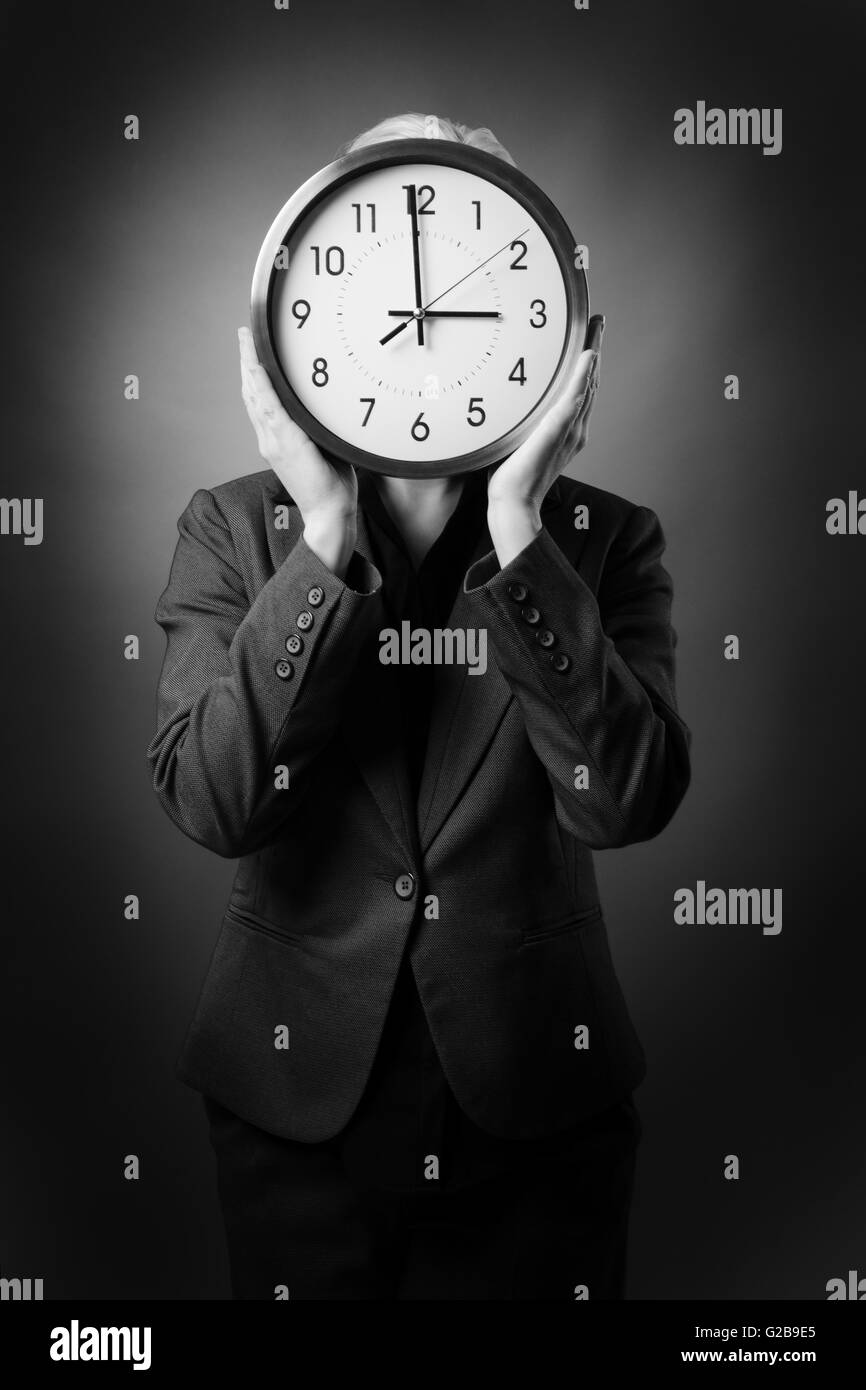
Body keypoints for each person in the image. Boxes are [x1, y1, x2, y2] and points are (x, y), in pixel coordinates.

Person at [147, 112, 692, 1301]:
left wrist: (517, 531)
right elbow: (216, 802)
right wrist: (327, 544)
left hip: (538, 1113)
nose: (423, 313)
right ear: (305, 319)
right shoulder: (232, 530)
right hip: (296, 1114)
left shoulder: (604, 542)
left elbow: (625, 802)